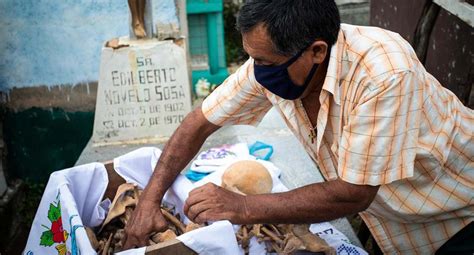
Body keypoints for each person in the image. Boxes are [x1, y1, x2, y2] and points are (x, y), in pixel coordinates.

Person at [122, 0, 474, 253]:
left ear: (317, 52)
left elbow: (354, 192)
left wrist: (242, 206)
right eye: (252, 57)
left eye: (264, 61)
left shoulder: (384, 74)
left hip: (456, 213)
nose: (257, 70)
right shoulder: (278, 60)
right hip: (393, 223)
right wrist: (148, 203)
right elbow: (200, 122)